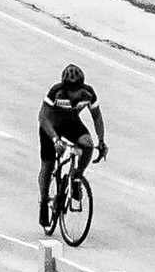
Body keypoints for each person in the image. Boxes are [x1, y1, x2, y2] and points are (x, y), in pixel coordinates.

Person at [37, 63, 107, 227]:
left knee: (87, 145)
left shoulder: (88, 94)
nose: (73, 93)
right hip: (50, 128)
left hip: (72, 125)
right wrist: (55, 140)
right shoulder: (56, 92)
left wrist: (101, 141)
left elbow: (97, 117)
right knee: (48, 166)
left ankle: (76, 176)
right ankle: (44, 202)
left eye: (76, 89)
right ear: (64, 86)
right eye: (69, 89)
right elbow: (43, 117)